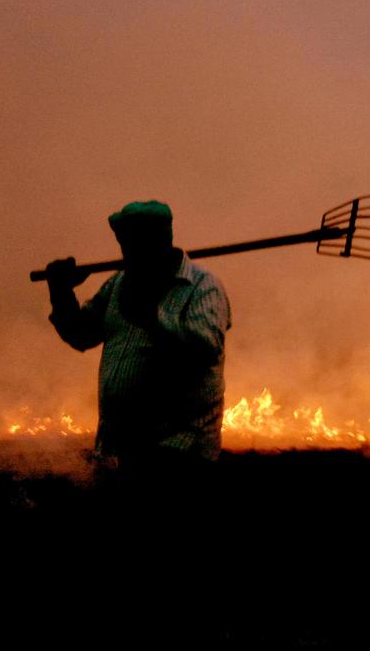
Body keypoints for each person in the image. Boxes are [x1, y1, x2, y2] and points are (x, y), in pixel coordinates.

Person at [44, 200, 232, 491]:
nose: (126, 252)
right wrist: (61, 293)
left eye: (134, 244)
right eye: (123, 244)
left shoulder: (201, 286)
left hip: (179, 454)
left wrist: (152, 316)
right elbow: (81, 334)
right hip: (118, 453)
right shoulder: (119, 284)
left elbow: (206, 348)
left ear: (160, 240)